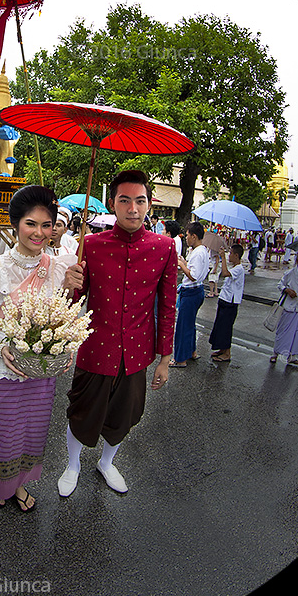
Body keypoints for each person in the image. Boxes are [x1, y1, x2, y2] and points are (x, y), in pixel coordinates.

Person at [58, 170, 177, 496]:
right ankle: (73, 465)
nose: (133, 209)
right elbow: (72, 304)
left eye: (140, 201)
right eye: (125, 201)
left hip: (137, 353)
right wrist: (69, 285)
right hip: (95, 348)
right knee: (82, 413)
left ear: (150, 204)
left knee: (125, 417)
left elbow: (167, 306)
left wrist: (165, 358)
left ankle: (107, 463)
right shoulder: (91, 246)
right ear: (113, 203)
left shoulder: (164, 248)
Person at [0, 186, 78, 511]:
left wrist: (65, 332)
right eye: (31, 223)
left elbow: (58, 317)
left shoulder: (58, 268)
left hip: (40, 374)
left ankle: (20, 483)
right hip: (2, 370)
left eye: (46, 225)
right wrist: (0, 347)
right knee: (3, 434)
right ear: (15, 224)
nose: (39, 232)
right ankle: (0, 484)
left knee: (32, 433)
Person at [172, 221, 210, 367]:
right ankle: (192, 352)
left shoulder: (199, 252)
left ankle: (180, 359)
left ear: (194, 236)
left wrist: (181, 265)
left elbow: (193, 275)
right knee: (190, 325)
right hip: (196, 291)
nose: (186, 238)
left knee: (183, 327)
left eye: (187, 235)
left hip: (192, 291)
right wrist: (185, 263)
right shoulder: (201, 251)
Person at [270, 250, 298, 365]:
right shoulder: (290, 273)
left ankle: (292, 356)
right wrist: (287, 290)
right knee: (283, 331)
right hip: (289, 308)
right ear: (297, 260)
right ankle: (276, 353)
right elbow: (280, 285)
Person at [208, 244, 245, 362]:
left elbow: (225, 273)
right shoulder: (234, 267)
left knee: (226, 327)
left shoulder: (239, 269)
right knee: (220, 325)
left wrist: (223, 257)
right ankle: (222, 349)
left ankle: (227, 352)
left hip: (231, 301)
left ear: (236, 255)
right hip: (225, 298)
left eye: (231, 254)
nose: (229, 256)